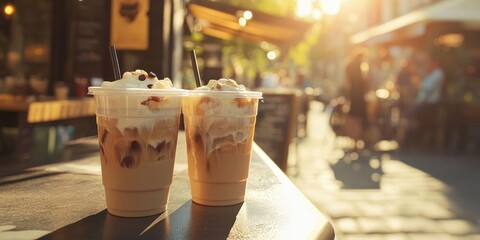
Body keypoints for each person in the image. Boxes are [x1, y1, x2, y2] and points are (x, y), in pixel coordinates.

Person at [410, 55, 445, 149]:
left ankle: (425, 144)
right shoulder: (430, 73)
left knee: (426, 124)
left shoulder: (438, 73)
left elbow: (427, 88)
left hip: (430, 104)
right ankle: (419, 143)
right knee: (421, 122)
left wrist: (418, 82)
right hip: (425, 103)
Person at [343, 51, 369, 152]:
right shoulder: (359, 67)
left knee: (352, 118)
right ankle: (356, 142)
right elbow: (364, 82)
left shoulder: (349, 66)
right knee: (358, 119)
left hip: (352, 94)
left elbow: (347, 82)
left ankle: (353, 142)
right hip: (358, 95)